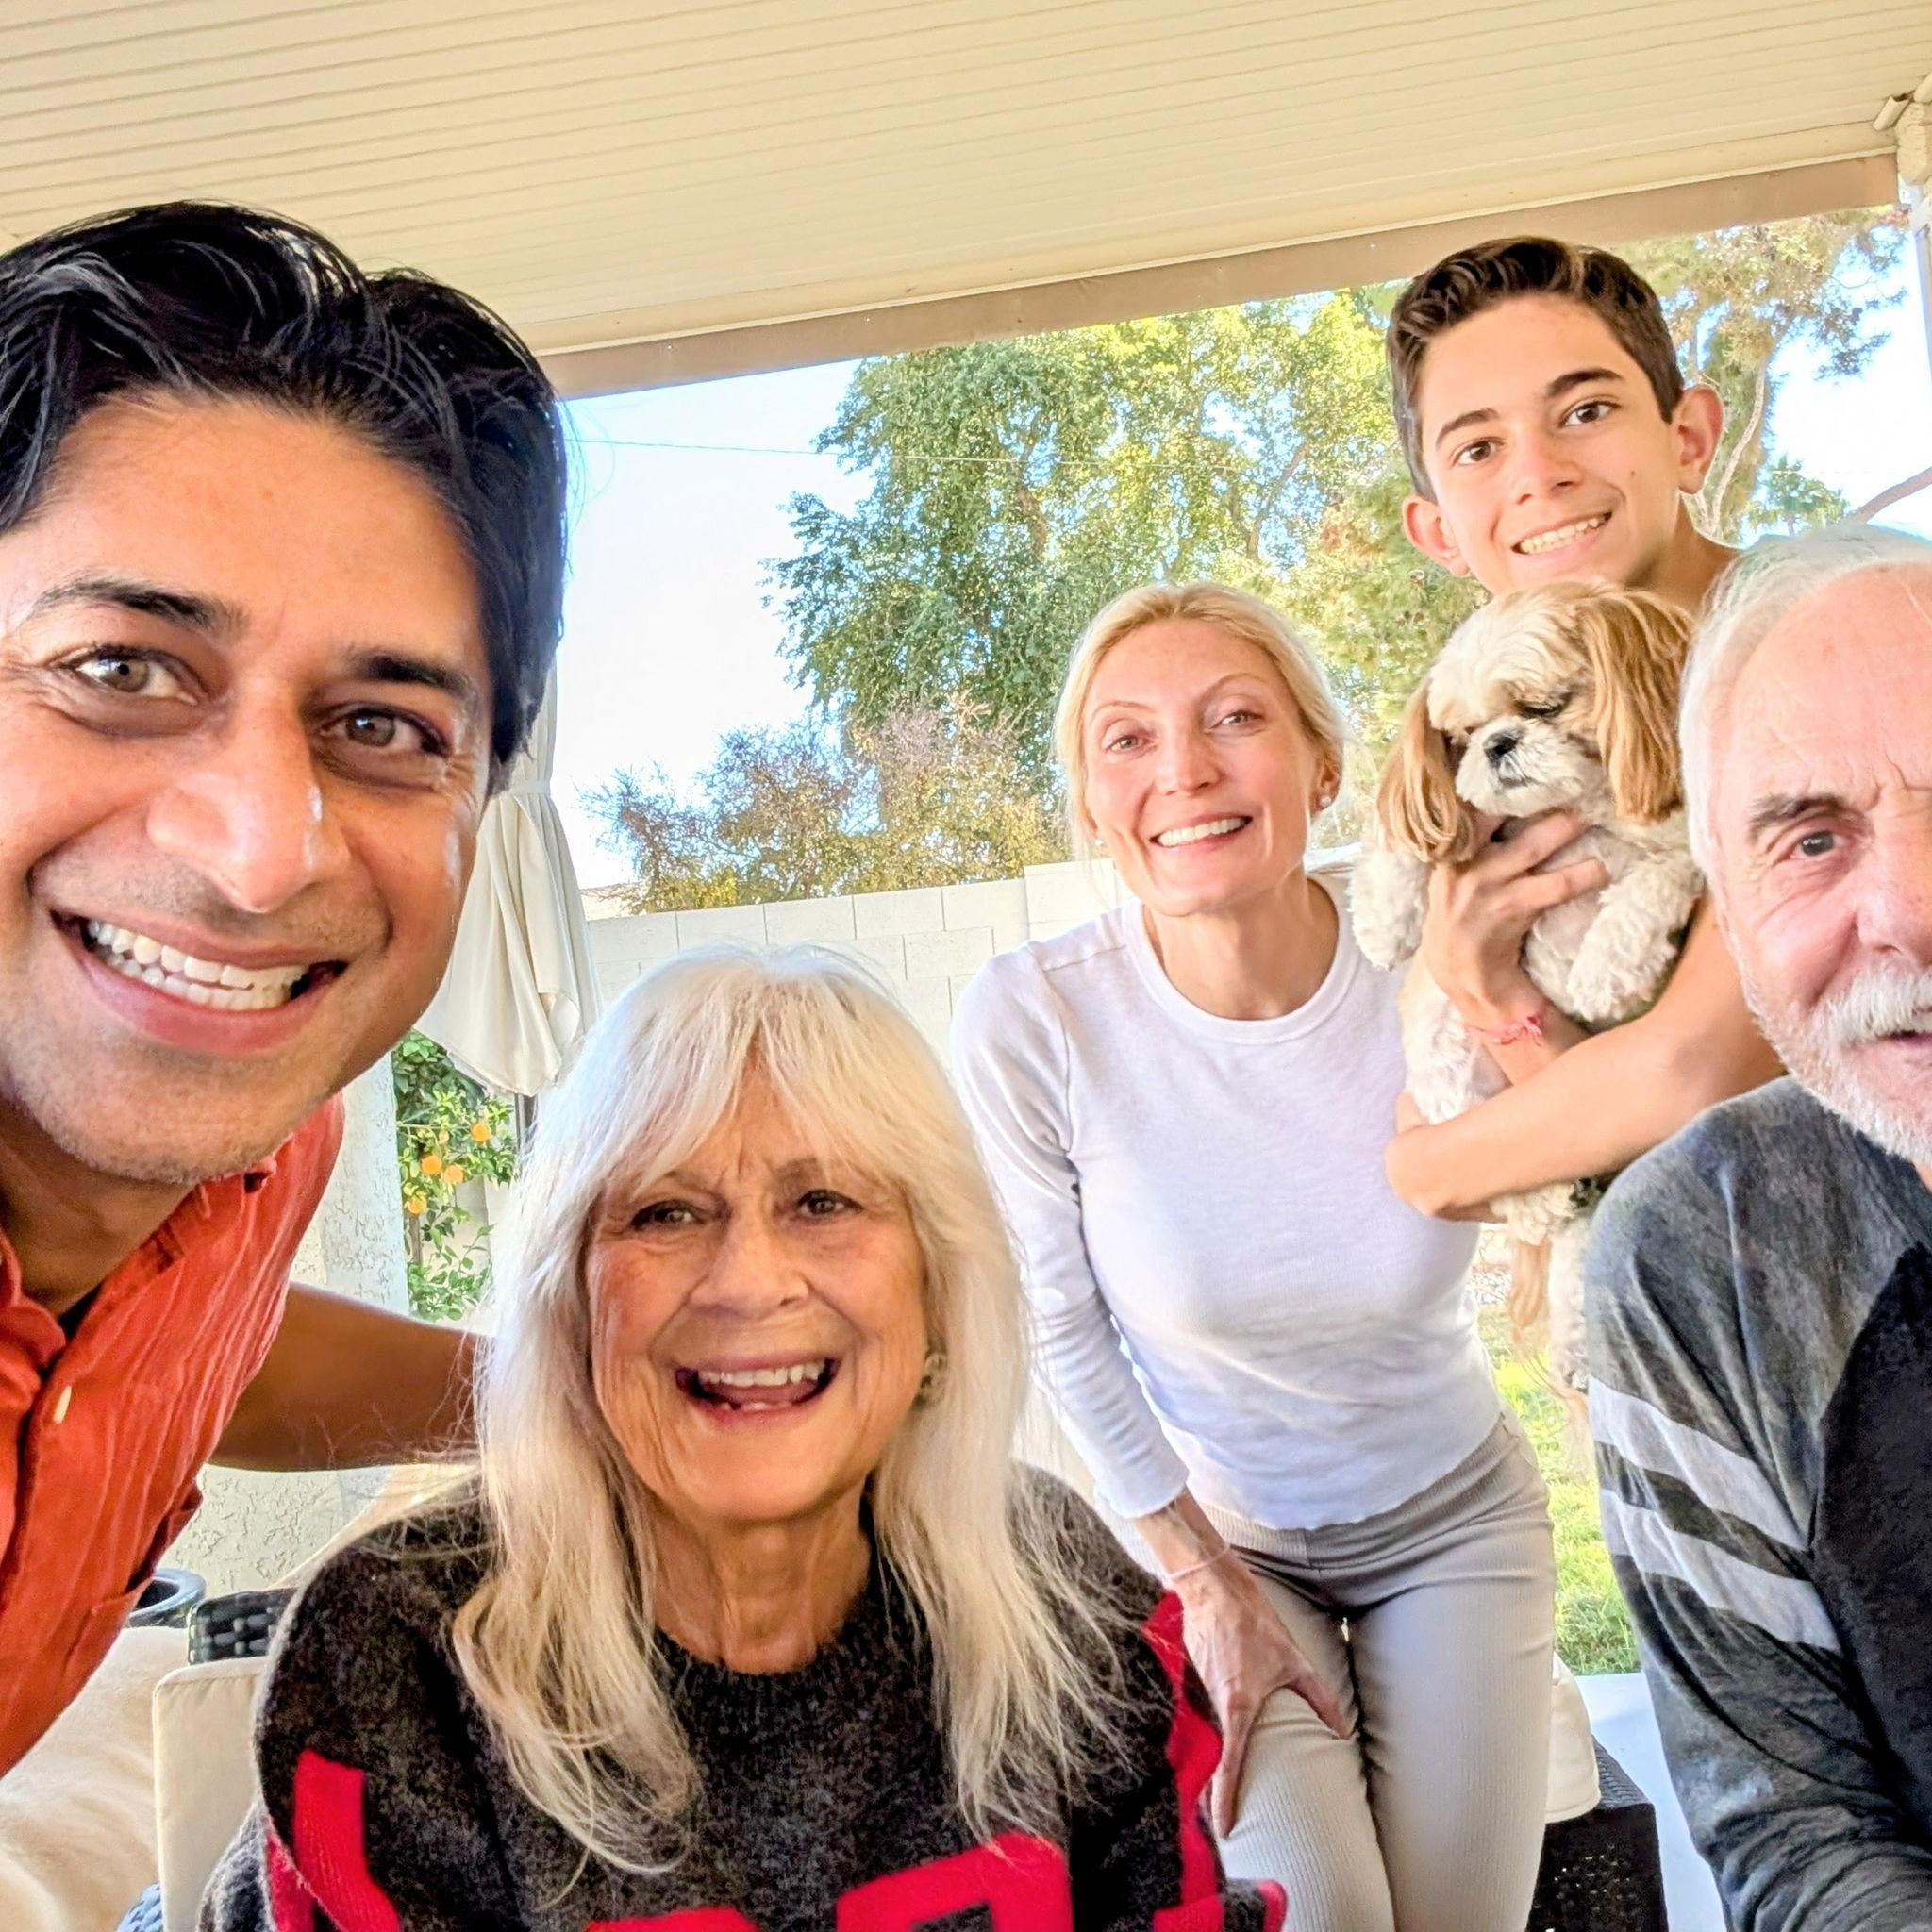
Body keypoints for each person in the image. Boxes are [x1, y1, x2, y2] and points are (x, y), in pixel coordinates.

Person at [203, 945, 1285, 1932]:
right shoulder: (399, 1654)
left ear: (938, 1291)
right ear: (572, 1301)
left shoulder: (1065, 1593)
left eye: (823, 1199)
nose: (748, 1281)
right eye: (665, 1212)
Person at [0, 201, 568, 1774]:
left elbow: (199, 1343)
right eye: (120, 668)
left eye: (381, 724)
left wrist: (562, 1397)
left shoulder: (254, 1142)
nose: (261, 857)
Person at [951, 582, 1555, 1931]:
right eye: (1128, 740)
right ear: (1092, 804)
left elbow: (1571, 1159)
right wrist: (1202, 1582)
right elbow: (1060, 1326)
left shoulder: (1421, 959)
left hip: (1454, 1520)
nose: (1185, 772)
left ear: (1322, 764)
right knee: (1327, 1916)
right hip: (1226, 1545)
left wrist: (1499, 993)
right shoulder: (1035, 1018)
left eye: (1237, 719)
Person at [1589, 523, 1932, 1931]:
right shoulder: (1702, 1256)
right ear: (1725, 913)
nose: (1906, 910)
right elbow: (1797, 1832)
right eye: (1810, 837)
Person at [1376, 236, 1779, 1227]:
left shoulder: (1810, 647)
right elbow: (1521, 1117)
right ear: (1435, 530)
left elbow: (1686, 1080)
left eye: (1585, 410)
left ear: (1687, 436)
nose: (1539, 474)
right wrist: (1483, 1005)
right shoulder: (1498, 733)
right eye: (1477, 448)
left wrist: (1424, 1168)